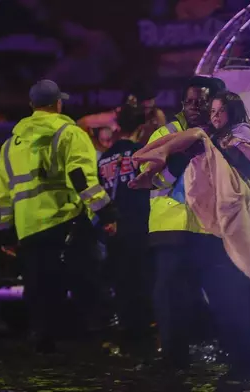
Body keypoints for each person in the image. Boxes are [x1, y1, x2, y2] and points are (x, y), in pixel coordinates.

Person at [135, 76, 250, 380]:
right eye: (188, 101)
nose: (193, 107)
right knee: (171, 304)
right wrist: (184, 155)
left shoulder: (234, 135)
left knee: (233, 299)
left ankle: (243, 365)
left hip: (216, 234)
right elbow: (151, 179)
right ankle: (174, 364)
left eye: (200, 102)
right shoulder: (169, 133)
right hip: (173, 234)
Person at [0, 79, 118, 352]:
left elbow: (3, 193)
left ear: (32, 106)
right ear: (58, 104)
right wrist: (106, 213)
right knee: (87, 283)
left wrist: (5, 231)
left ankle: (43, 348)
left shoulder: (10, 145)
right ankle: (98, 346)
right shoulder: (69, 133)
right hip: (66, 222)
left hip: (29, 230)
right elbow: (82, 178)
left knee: (39, 291)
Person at [97, 104, 154, 352]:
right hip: (138, 226)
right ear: (140, 128)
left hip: (112, 228)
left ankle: (124, 332)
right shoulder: (143, 154)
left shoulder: (104, 159)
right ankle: (142, 335)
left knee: (120, 281)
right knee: (141, 280)